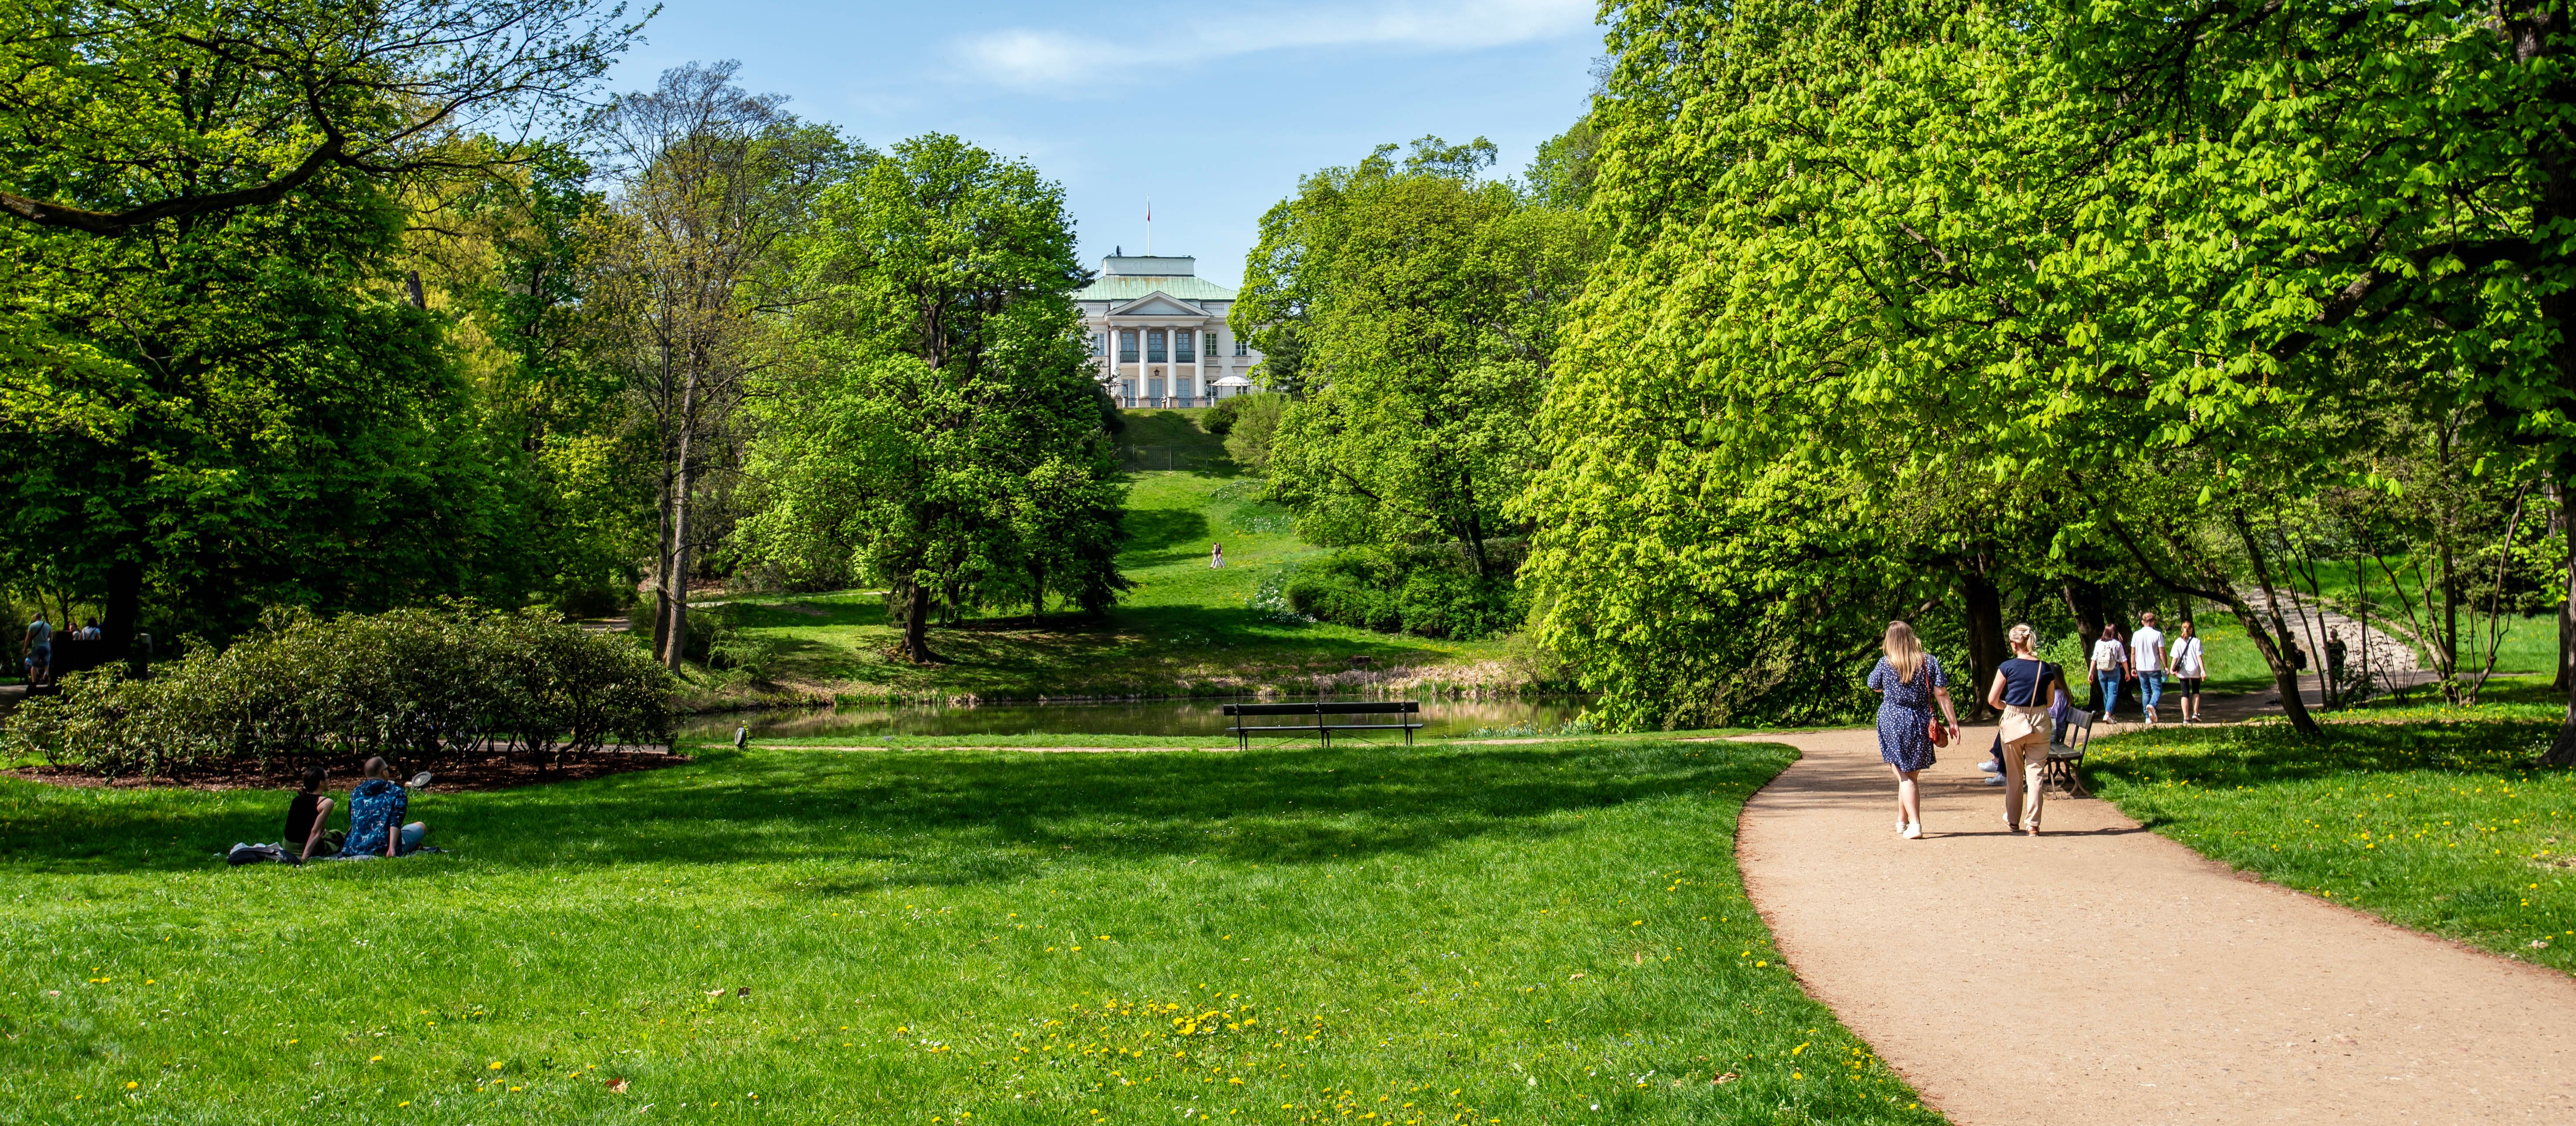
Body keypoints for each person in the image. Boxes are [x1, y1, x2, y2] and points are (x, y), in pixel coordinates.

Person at [1866, 621, 1957, 840]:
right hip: (1920, 720)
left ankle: (1915, 824)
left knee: (1905, 776)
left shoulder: (1886, 663)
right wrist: (1952, 722)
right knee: (1909, 775)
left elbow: (1873, 685)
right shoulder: (1928, 662)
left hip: (1892, 720)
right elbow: (1942, 693)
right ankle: (1902, 821)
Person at [1986, 624, 2068, 836]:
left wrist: (2008, 706)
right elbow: (2050, 702)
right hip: (2040, 721)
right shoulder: (2046, 668)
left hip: (2014, 720)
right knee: (2036, 776)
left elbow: (1992, 700)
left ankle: (2013, 821)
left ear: (2014, 645)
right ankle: (2033, 824)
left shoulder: (2007, 667)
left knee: (2014, 775)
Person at [335, 757, 427, 859]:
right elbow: (395, 821)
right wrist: (392, 848)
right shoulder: (396, 792)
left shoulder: (356, 793)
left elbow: (354, 821)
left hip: (355, 847)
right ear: (383, 772)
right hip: (383, 847)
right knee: (421, 826)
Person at [283, 766, 341, 860]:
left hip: (288, 846)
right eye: (328, 776)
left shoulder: (297, 800)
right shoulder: (326, 803)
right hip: (302, 848)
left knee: (336, 834)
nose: (330, 779)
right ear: (321, 783)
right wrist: (304, 858)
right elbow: (315, 833)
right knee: (338, 845)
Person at [2132, 612, 2168, 725]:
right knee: (2157, 690)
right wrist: (2166, 666)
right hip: (2154, 667)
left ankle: (2147, 718)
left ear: (2143, 622)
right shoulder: (2158, 634)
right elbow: (2162, 652)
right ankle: (2152, 705)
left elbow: (2133, 653)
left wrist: (2133, 667)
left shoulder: (2136, 635)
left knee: (2145, 691)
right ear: (2153, 622)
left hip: (2141, 667)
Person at [2090, 624, 2130, 722]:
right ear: (2115, 633)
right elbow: (2123, 659)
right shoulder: (2117, 644)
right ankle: (2108, 714)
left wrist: (2091, 673)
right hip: (2114, 670)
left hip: (2101, 671)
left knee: (2106, 694)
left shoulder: (2098, 643)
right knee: (2112, 693)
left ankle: (2109, 715)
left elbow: (2094, 659)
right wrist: (2127, 673)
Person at [2169, 620, 2206, 723]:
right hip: (2195, 670)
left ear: (2182, 629)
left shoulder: (2178, 642)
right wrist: (2203, 671)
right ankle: (2195, 713)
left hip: (2183, 671)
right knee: (2196, 691)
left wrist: (2172, 669)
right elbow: (2199, 657)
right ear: (2192, 630)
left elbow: (2175, 658)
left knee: (2185, 693)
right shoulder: (2196, 641)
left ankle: (2186, 717)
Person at [21, 616, 50, 686]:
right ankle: (48, 677)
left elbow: (28, 638)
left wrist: (25, 648)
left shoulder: (32, 626)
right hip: (46, 647)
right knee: (46, 665)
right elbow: (51, 637)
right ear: (41, 617)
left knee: (34, 665)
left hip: (36, 647)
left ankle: (34, 682)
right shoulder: (47, 625)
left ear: (35, 618)